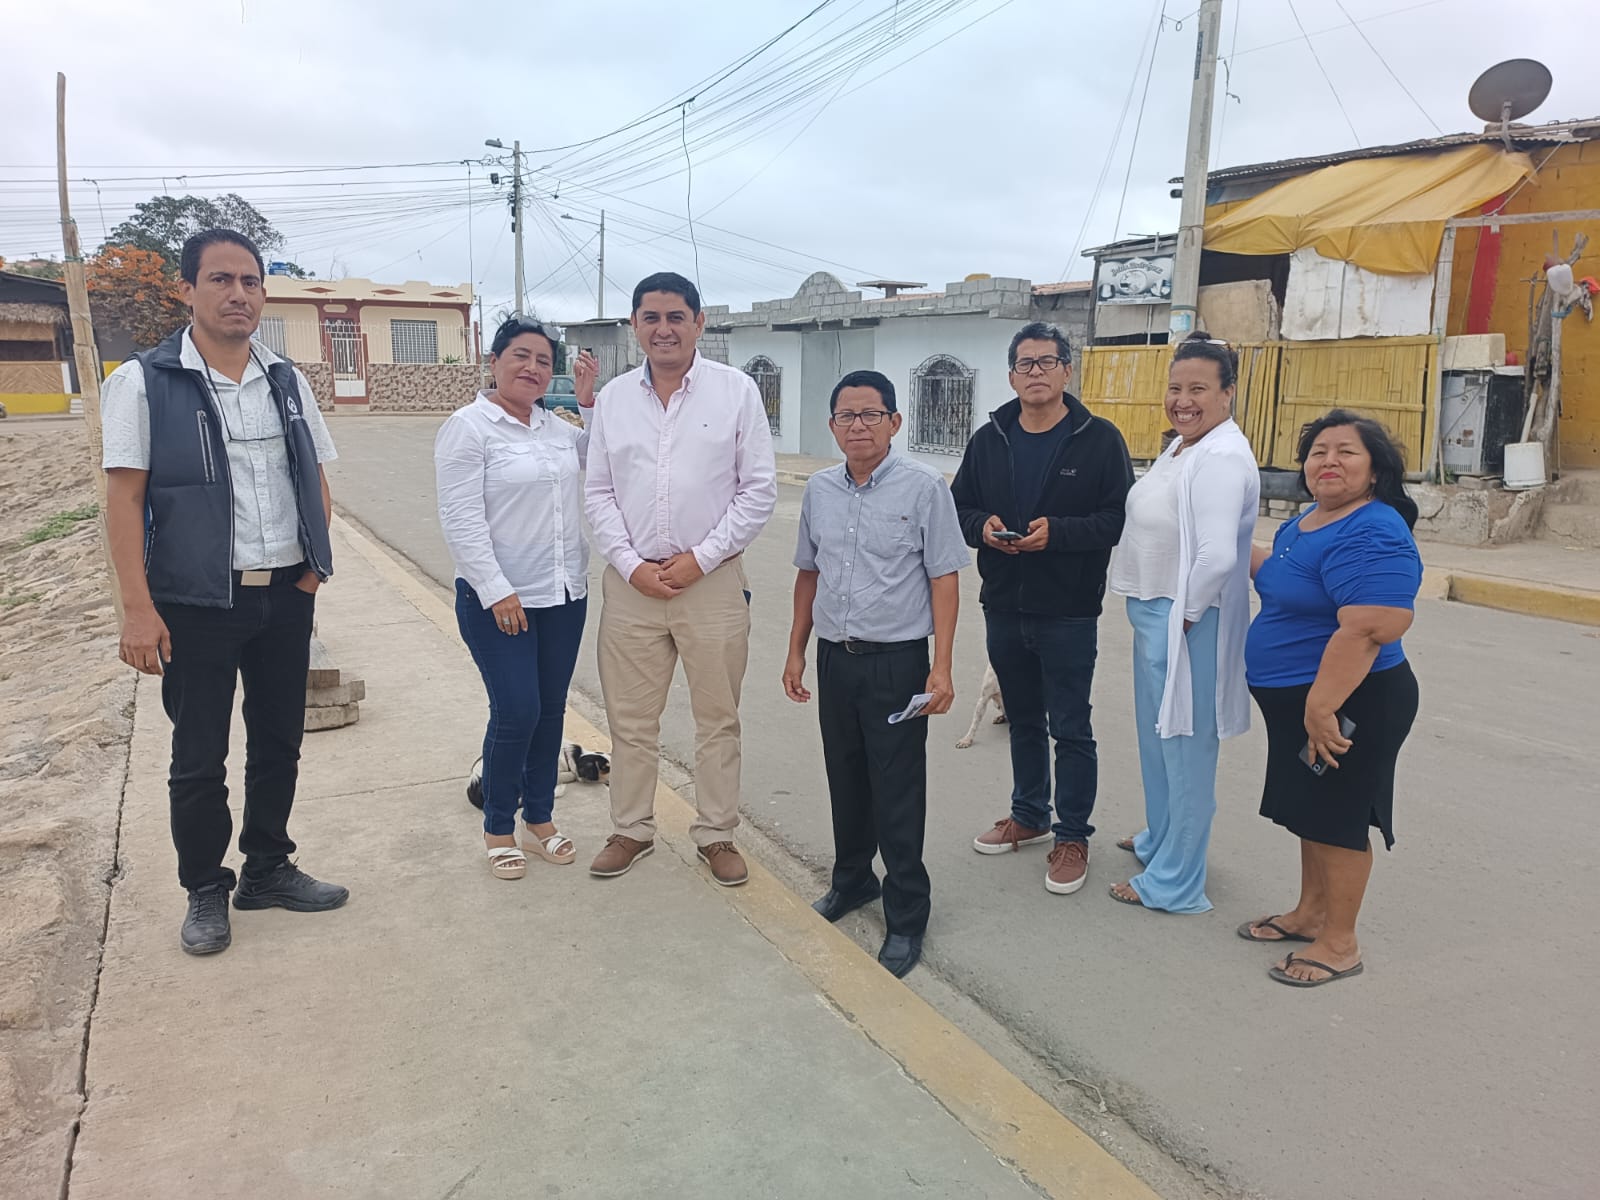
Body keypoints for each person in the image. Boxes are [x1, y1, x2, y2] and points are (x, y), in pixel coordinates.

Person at [101, 228, 346, 956]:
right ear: (187, 290)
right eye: (220, 279)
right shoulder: (144, 382)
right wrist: (138, 609)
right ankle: (205, 887)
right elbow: (124, 501)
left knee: (279, 742)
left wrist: (314, 567)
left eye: (250, 281)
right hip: (196, 602)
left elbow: (314, 475)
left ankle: (267, 867)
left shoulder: (286, 379)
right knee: (199, 755)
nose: (238, 294)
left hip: (285, 594)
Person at [584, 271, 777, 885]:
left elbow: (758, 490)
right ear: (634, 325)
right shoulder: (614, 399)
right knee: (630, 719)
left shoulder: (736, 392)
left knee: (718, 718)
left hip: (711, 582)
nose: (663, 329)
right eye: (651, 317)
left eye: (675, 317)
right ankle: (631, 829)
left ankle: (717, 834)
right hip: (632, 585)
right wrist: (631, 564)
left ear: (699, 322)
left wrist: (703, 557)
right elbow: (598, 491)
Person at [782, 370, 968, 978]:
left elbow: (944, 578)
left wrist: (942, 666)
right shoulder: (820, 490)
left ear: (894, 422)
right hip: (836, 657)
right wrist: (796, 650)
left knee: (897, 787)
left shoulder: (924, 488)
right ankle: (853, 880)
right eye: (846, 416)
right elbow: (808, 573)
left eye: (870, 414)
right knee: (846, 776)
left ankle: (907, 914)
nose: (857, 426)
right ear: (832, 425)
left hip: (897, 662)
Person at [1239, 410, 1422, 987]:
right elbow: (1285, 578)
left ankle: (1340, 943)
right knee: (1311, 810)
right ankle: (1310, 913)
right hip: (1305, 697)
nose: (1329, 462)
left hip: (1351, 700)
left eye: (1346, 452)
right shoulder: (1307, 523)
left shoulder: (1373, 529)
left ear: (1376, 470)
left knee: (1338, 815)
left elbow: (1372, 624)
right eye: (1318, 452)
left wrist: (1320, 707)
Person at [950, 321, 1133, 896]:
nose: (1035, 372)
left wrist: (1059, 533)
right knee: (1023, 719)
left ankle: (1073, 835)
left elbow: (1116, 519)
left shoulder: (1099, 440)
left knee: (1071, 726)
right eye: (1024, 363)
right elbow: (959, 507)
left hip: (1069, 609)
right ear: (1011, 376)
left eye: (1046, 362)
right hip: (1004, 603)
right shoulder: (989, 439)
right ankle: (1029, 815)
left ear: (1066, 371)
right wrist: (985, 527)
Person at [435, 318, 599, 879]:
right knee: (517, 710)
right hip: (499, 600)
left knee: (550, 710)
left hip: (563, 594)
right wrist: (496, 589)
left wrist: (588, 403)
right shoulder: (468, 428)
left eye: (543, 360)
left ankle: (540, 819)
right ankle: (499, 825)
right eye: (521, 356)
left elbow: (603, 457)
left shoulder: (557, 428)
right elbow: (460, 518)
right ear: (494, 361)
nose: (532, 368)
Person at [1106, 333, 1260, 912]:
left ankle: (1176, 882)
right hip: (1158, 611)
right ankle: (1162, 839)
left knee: (1187, 750)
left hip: (1189, 618)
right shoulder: (1183, 448)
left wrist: (1187, 617)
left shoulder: (1221, 458)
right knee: (1159, 739)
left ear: (1227, 393)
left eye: (1198, 388)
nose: (1183, 400)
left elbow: (1217, 557)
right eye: (1175, 388)